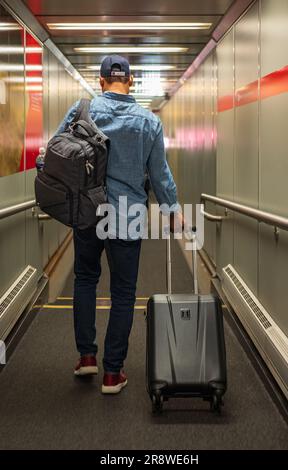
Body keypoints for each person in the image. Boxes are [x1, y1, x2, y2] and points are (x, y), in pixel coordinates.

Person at [56, 55, 183, 394]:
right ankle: (113, 373)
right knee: (124, 293)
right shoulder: (148, 122)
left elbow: (54, 153)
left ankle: (86, 357)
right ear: (131, 81)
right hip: (127, 213)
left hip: (87, 210)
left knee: (85, 279)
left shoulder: (81, 110)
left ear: (100, 81)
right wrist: (172, 209)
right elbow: (159, 174)